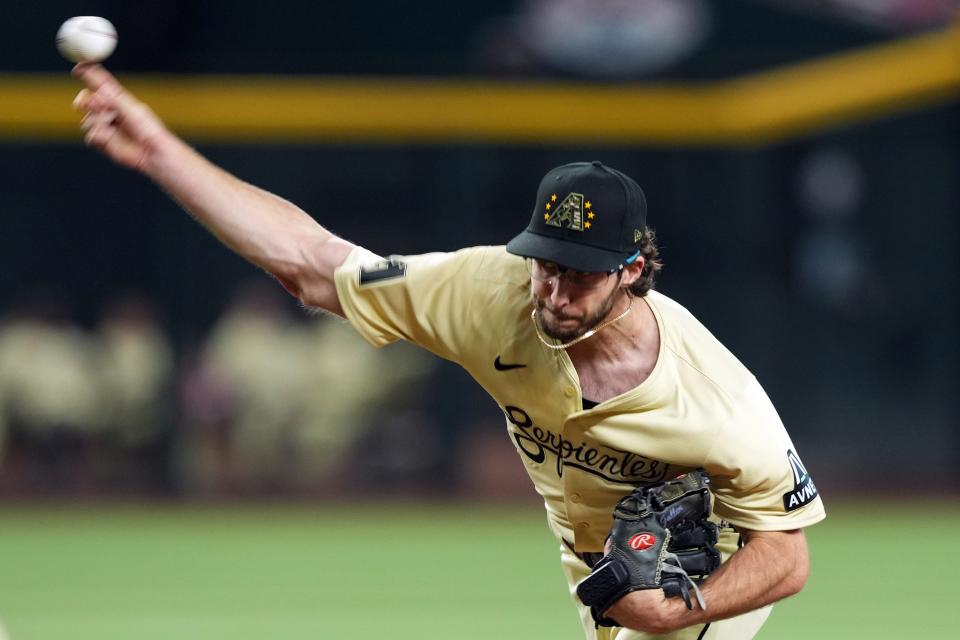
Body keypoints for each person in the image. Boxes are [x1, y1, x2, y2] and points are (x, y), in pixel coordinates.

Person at [71, 63, 825, 639]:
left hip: (700, 588)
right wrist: (162, 152)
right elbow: (309, 262)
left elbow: (787, 558)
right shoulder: (487, 291)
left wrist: (677, 608)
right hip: (605, 578)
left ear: (631, 271)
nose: (555, 292)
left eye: (581, 274)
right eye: (546, 263)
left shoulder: (717, 399)